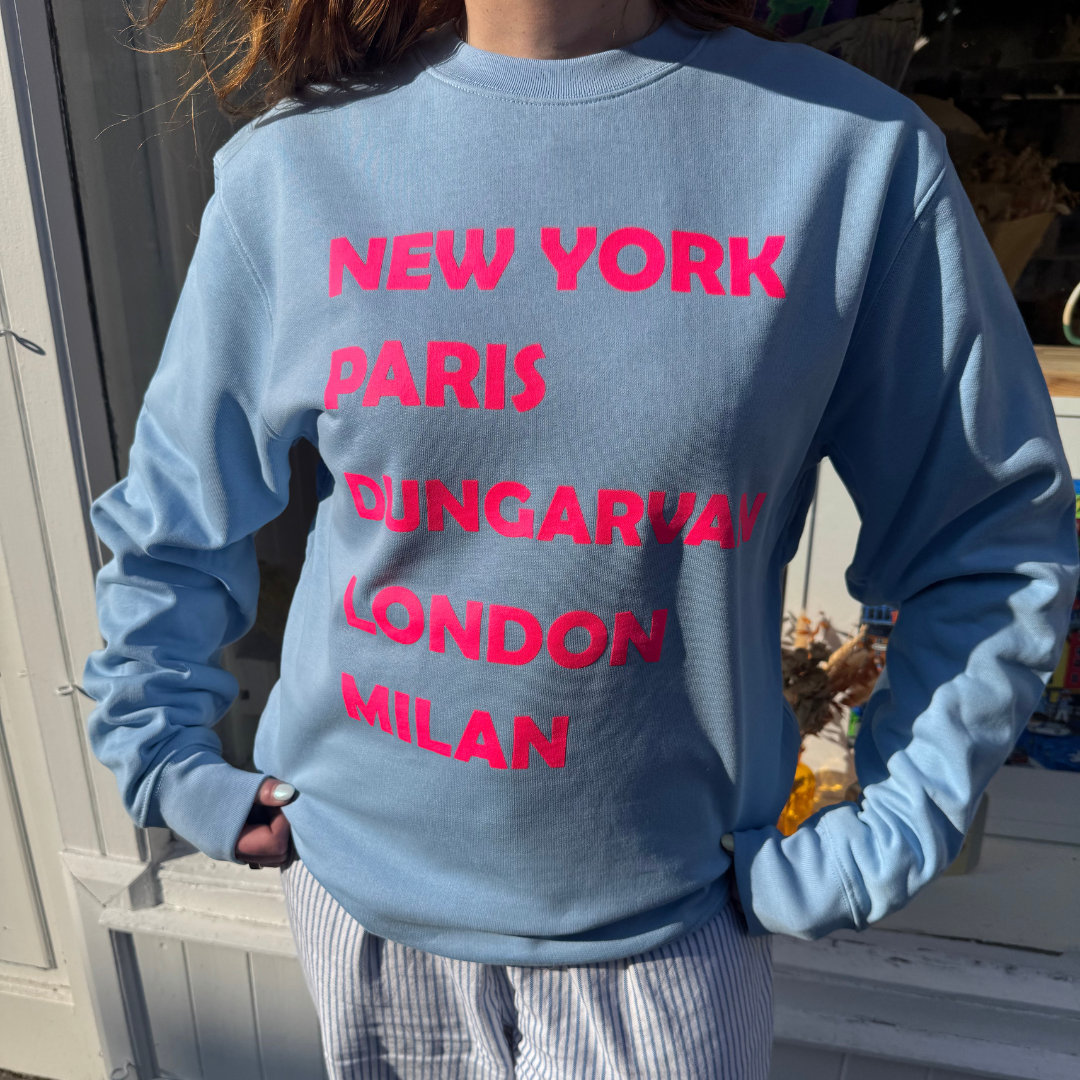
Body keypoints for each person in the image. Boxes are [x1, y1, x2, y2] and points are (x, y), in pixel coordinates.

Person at [83, 1, 1079, 1077]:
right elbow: (175, 516)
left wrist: (887, 828)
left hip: (666, 938)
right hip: (358, 911)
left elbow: (989, 542)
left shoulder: (849, 156)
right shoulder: (294, 168)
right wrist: (166, 755)